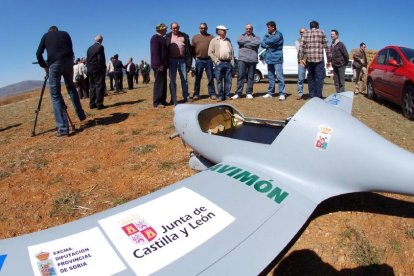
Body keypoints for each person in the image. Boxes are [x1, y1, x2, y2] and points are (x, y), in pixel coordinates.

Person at [36, 25, 86, 137]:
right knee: (71, 88)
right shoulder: (65, 33)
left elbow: (39, 53)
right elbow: (71, 49)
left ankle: (63, 128)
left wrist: (44, 65)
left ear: (49, 31)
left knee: (55, 94)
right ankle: (81, 114)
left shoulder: (46, 36)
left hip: (54, 64)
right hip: (68, 62)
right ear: (57, 30)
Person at [298, 21, 331, 99]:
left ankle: (312, 95)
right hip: (319, 59)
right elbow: (327, 47)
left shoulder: (305, 33)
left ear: (310, 26)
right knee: (319, 78)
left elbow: (301, 47)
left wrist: (301, 59)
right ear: (317, 26)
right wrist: (329, 60)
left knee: (311, 78)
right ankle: (318, 96)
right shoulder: (321, 32)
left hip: (309, 59)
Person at [165, 22, 192, 105]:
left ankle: (186, 97)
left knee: (184, 80)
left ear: (179, 27)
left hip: (182, 60)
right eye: (173, 28)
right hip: (171, 61)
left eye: (176, 27)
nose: (175, 29)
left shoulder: (184, 36)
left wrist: (189, 63)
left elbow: (188, 50)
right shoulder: (167, 36)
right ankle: (173, 98)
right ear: (171, 28)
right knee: (172, 80)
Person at [232, 23, 260, 100]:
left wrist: (245, 44)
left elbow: (256, 43)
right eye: (247, 29)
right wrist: (250, 44)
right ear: (245, 29)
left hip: (252, 59)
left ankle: (249, 93)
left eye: (250, 29)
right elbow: (239, 41)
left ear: (252, 29)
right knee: (240, 76)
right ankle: (238, 93)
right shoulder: (240, 36)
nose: (248, 30)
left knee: (251, 77)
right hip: (242, 59)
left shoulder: (257, 37)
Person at [261, 21, 287, 101]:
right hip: (269, 58)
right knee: (271, 76)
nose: (267, 29)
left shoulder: (279, 34)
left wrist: (267, 42)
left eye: (268, 27)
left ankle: (282, 93)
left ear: (273, 27)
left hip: (277, 58)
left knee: (279, 76)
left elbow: (271, 41)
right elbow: (262, 44)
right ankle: (270, 93)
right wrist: (267, 44)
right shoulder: (267, 34)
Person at [208, 25, 235, 101]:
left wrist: (232, 62)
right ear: (218, 31)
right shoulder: (214, 40)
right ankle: (220, 96)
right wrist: (216, 61)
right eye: (223, 30)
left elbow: (232, 52)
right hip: (219, 63)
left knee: (228, 80)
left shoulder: (228, 40)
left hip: (228, 63)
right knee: (219, 80)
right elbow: (210, 52)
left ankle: (227, 95)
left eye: (225, 30)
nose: (225, 32)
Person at [191, 22, 216, 100]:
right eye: (202, 28)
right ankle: (196, 94)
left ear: (207, 28)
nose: (203, 29)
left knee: (210, 77)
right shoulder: (195, 37)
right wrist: (195, 58)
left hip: (209, 60)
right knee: (198, 78)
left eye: (204, 28)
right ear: (199, 28)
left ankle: (212, 94)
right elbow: (192, 49)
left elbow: (214, 48)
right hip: (199, 60)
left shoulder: (211, 37)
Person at [150, 23, 168, 108]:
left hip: (163, 65)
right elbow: (155, 53)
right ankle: (157, 102)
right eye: (165, 28)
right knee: (159, 83)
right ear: (160, 29)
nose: (166, 30)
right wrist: (159, 64)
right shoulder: (155, 38)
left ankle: (163, 100)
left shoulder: (162, 38)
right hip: (159, 65)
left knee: (163, 83)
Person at [86, 34, 107, 110]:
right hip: (97, 69)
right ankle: (99, 104)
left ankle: (92, 104)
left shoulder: (89, 48)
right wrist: (103, 68)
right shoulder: (100, 47)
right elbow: (101, 59)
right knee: (99, 86)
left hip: (90, 69)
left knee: (92, 86)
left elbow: (88, 59)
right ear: (101, 40)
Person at [295, 28, 306, 100]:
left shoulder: (310, 40)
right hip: (301, 61)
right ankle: (300, 93)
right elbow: (300, 49)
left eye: (303, 32)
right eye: (301, 32)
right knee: (300, 78)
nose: (302, 33)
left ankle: (313, 93)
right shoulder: (297, 41)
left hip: (310, 60)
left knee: (311, 78)